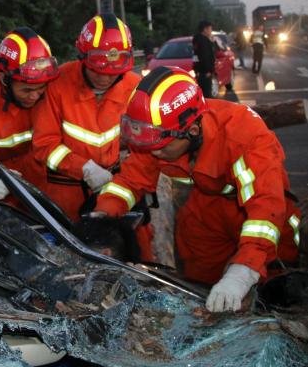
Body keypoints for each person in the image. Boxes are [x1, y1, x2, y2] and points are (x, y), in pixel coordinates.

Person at [94, 66, 300, 313]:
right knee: (197, 283)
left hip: (262, 210)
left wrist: (243, 272)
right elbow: (129, 181)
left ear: (191, 131)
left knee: (276, 285)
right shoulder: (161, 135)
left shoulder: (244, 136)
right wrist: (101, 218)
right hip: (207, 207)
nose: (153, 153)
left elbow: (265, 209)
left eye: (160, 147)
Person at [31, 14, 141, 222]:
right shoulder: (59, 84)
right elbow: (44, 144)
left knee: (136, 243)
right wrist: (84, 169)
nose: (105, 78)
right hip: (65, 191)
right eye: (97, 70)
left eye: (112, 72)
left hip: (115, 185)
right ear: (82, 58)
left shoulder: (134, 87)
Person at [0, 27, 59, 201]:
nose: (34, 96)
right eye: (27, 90)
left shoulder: (47, 84)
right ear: (5, 80)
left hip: (39, 182)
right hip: (0, 187)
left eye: (41, 88)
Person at [192, 20, 215, 98]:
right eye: (210, 29)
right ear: (205, 29)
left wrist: (196, 69)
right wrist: (209, 70)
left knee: (201, 95)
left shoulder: (196, 40)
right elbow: (205, 56)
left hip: (199, 72)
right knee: (207, 95)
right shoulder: (204, 41)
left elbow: (195, 57)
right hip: (205, 73)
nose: (211, 31)